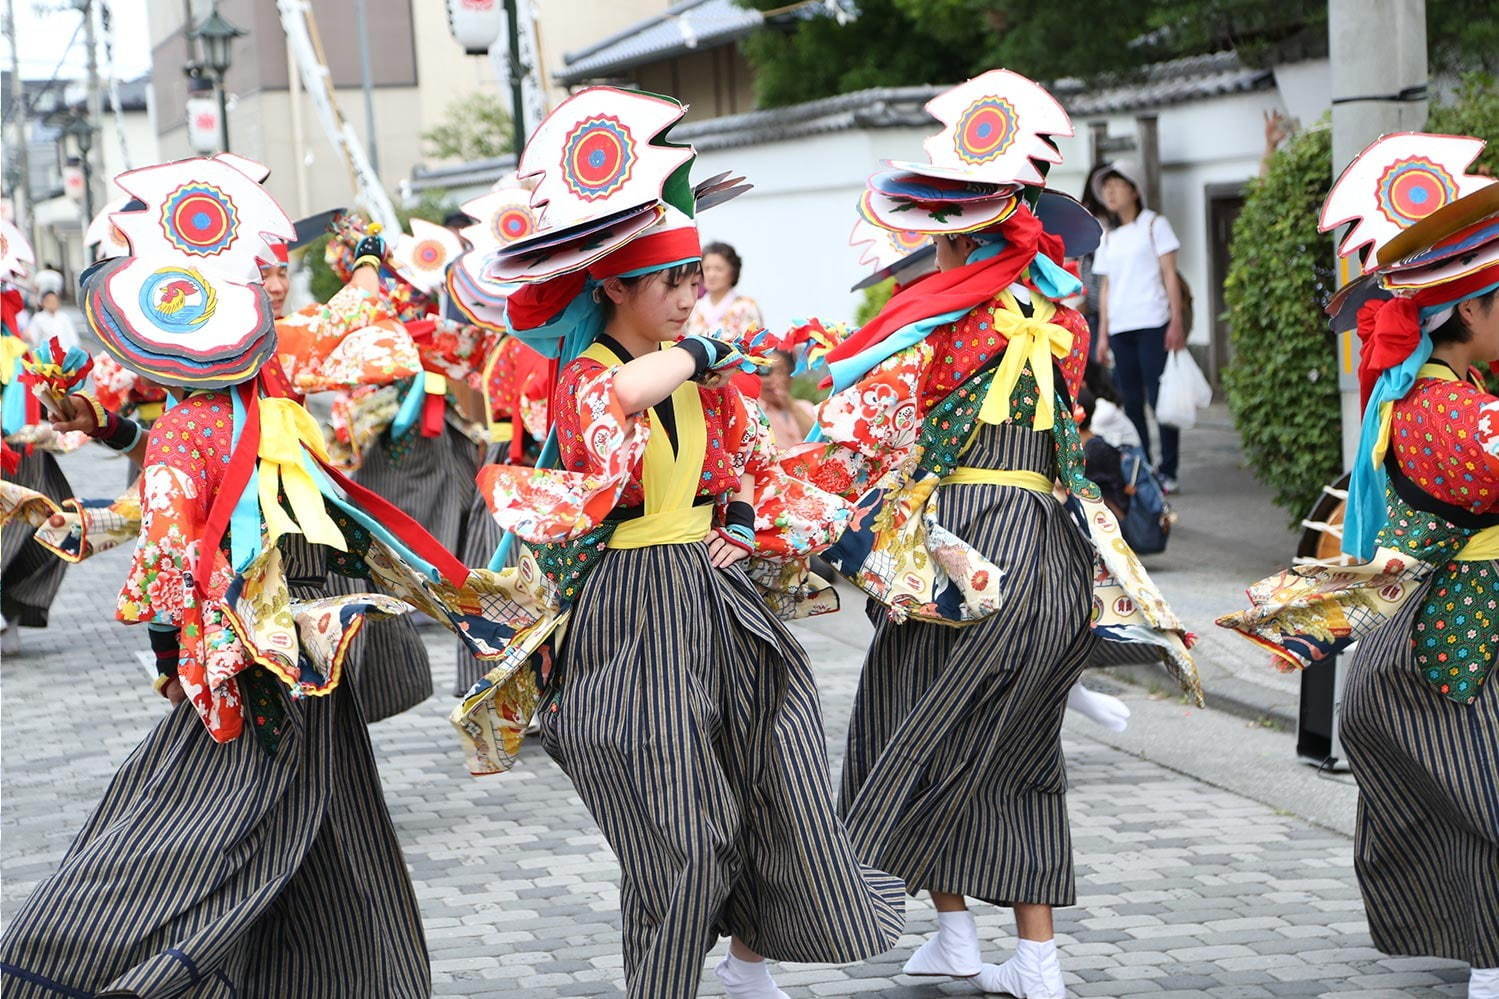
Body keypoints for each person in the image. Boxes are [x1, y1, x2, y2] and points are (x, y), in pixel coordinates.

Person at [0, 154, 506, 997]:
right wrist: (172, 656)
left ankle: (348, 979)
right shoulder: (194, 420)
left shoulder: (271, 378)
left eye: (274, 273)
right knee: (202, 827)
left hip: (309, 644)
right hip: (246, 658)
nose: (270, 288)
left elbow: (357, 317)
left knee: (331, 830)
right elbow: (166, 539)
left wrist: (373, 258)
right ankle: (76, 969)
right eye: (253, 276)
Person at [454, 86, 903, 999]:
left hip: (711, 601)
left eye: (696, 277)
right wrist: (703, 357)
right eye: (674, 281)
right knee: (678, 834)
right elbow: (616, 412)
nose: (691, 297)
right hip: (626, 614)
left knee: (774, 783)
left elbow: (743, 465)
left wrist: (739, 523)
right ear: (613, 284)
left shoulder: (697, 372)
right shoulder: (588, 374)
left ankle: (747, 969)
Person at [807, 70, 1196, 998]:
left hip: (966, 560)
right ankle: (1031, 959)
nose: (923, 262)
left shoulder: (940, 332)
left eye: (935, 242)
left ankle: (942, 929)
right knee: (1020, 755)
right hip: (1049, 557)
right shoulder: (1056, 319)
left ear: (955, 243)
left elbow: (860, 431)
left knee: (908, 730)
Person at [1219, 131, 1499, 999]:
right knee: (1483, 799)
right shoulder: (1447, 415)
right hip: (1454, 637)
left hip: (1442, 624)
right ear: (1463, 315)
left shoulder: (1448, 396)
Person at [1090, 158, 1186, 493]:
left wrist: (1177, 321)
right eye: (1106, 186)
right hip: (1120, 327)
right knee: (1130, 402)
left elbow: (1169, 275)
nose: (1110, 191)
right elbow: (1106, 287)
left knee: (1161, 400)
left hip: (1154, 322)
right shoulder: (1108, 237)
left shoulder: (1154, 224)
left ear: (1134, 189)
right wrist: (1102, 334)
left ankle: (1169, 468)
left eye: (1117, 184)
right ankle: (1144, 466)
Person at [758, 348, 816, 448]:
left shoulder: (807, 407)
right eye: (765, 371)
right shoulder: (754, 411)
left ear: (790, 376)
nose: (771, 379)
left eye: (780, 371)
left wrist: (790, 404)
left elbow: (818, 441)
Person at [23, 290, 79, 355]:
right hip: (47, 358)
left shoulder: (64, 317)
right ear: (43, 303)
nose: (52, 303)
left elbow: (73, 339)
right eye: (49, 301)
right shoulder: (38, 318)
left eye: (54, 301)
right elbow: (33, 338)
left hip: (67, 355)